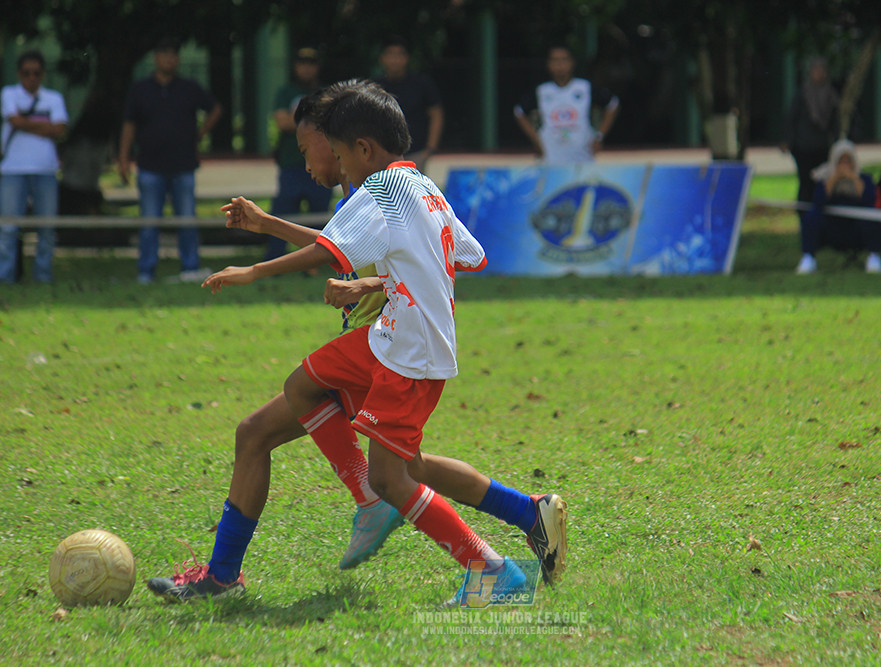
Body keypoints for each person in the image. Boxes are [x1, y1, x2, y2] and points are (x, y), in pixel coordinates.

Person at [147, 81, 567, 604]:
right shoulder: (421, 187)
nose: (337, 167)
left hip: (398, 349)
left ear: (359, 147)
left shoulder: (378, 189)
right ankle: (518, 514)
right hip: (402, 344)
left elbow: (331, 248)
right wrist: (386, 279)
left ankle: (483, 565)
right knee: (360, 438)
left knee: (389, 474)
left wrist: (254, 271)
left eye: (335, 153)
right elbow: (468, 254)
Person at [117, 37, 222, 284]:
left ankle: (190, 268)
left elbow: (215, 109)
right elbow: (129, 124)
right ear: (156, 58)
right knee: (149, 223)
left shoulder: (188, 87)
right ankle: (146, 271)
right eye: (164, 53)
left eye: (174, 54)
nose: (170, 58)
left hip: (183, 165)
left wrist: (199, 134)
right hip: (150, 166)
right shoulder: (140, 89)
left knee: (186, 221)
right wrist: (123, 158)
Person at [0, 50, 68, 284]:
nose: (31, 78)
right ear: (19, 73)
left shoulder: (54, 98)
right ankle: (5, 278)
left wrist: (25, 124)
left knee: (46, 228)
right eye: (26, 73)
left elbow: (59, 130)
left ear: (42, 74)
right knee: (9, 228)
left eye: (36, 73)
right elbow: (14, 121)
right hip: (12, 170)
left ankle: (43, 277)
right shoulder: (9, 94)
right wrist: (43, 126)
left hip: (45, 170)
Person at [264, 47, 333, 261]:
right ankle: (275, 256)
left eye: (311, 63)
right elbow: (281, 121)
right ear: (295, 67)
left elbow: (331, 123)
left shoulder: (325, 92)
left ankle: (321, 260)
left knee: (320, 215)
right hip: (291, 162)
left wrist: (297, 122)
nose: (306, 68)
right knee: (283, 212)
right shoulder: (286, 91)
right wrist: (314, 125)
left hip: (322, 163)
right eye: (302, 63)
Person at [513, 45, 620, 164]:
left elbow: (612, 104)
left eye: (564, 60)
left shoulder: (585, 88)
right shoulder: (542, 91)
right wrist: (536, 140)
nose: (560, 65)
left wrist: (599, 137)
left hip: (583, 160)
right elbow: (519, 112)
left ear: (572, 62)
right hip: (550, 162)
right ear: (548, 64)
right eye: (555, 60)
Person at [796, 139, 881, 274]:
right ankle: (808, 258)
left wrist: (854, 178)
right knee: (811, 217)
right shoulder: (824, 178)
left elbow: (868, 201)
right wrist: (835, 177)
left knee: (871, 218)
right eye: (841, 161)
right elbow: (819, 202)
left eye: (848, 161)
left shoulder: (864, 179)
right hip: (832, 226)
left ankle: (874, 257)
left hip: (855, 227)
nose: (845, 165)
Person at [781, 56, 840, 231]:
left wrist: (837, 144)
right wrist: (787, 141)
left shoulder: (831, 94)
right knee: (805, 183)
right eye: (815, 69)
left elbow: (835, 122)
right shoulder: (803, 93)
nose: (818, 73)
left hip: (822, 148)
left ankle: (821, 221)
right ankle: (804, 219)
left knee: (821, 184)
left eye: (821, 70)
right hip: (803, 148)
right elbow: (791, 117)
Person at [375, 37, 443, 173]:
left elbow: (436, 113)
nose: (395, 60)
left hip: (416, 153)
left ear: (407, 58)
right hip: (384, 153)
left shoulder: (421, 84)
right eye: (390, 54)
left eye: (399, 55)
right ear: (382, 58)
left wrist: (430, 148)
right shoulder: (375, 87)